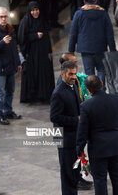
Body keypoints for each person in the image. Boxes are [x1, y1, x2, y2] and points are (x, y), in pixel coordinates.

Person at [76, 75, 118, 195]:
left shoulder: (86, 106)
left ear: (88, 89)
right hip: (115, 147)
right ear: (101, 83)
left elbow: (82, 130)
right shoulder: (117, 100)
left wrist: (79, 149)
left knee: (99, 180)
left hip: (98, 150)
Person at [69, 0, 116, 85]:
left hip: (85, 49)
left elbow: (73, 33)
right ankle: (101, 89)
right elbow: (109, 33)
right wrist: (113, 50)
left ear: (84, 2)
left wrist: (71, 50)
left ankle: (92, 92)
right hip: (100, 48)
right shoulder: (103, 14)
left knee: (89, 72)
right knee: (102, 70)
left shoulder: (79, 14)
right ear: (96, 1)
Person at [50, 61, 80, 195]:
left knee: (74, 171)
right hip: (64, 138)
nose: (73, 77)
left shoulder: (73, 85)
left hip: (73, 136)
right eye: (70, 74)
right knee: (67, 172)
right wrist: (76, 120)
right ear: (62, 74)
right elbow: (54, 117)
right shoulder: (58, 93)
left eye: (75, 73)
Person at [18, 1, 55, 104]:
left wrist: (49, 50)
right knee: (34, 74)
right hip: (32, 54)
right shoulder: (25, 22)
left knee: (44, 73)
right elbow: (21, 38)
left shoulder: (42, 20)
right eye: (33, 10)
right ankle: (35, 96)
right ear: (29, 11)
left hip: (43, 52)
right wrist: (35, 36)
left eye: (37, 10)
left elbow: (47, 35)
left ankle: (44, 95)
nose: (35, 12)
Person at [0, 7, 22, 125]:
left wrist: (18, 63)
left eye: (5, 16)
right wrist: (2, 42)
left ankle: (8, 111)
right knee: (0, 92)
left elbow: (14, 48)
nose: (3, 19)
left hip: (11, 66)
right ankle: (0, 115)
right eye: (1, 17)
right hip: (0, 67)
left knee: (10, 90)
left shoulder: (10, 29)